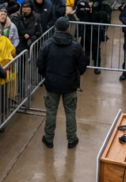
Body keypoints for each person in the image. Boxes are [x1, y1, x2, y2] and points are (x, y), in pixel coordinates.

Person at [37, 17, 88, 149]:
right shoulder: (75, 45)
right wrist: (75, 75)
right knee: (70, 112)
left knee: (51, 111)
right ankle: (72, 139)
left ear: (55, 28)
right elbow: (82, 66)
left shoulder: (47, 44)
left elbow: (40, 64)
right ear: (67, 29)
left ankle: (48, 139)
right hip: (70, 84)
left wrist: (46, 75)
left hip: (52, 84)